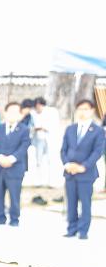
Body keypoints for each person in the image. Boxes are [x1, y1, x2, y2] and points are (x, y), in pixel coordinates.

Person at [61, 100, 105, 240]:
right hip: (70, 172)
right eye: (79, 109)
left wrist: (83, 166)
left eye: (85, 109)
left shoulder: (98, 131)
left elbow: (97, 152)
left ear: (92, 111)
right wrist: (67, 164)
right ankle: (71, 228)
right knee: (71, 202)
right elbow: (64, 150)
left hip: (86, 173)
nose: (82, 112)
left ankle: (83, 230)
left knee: (85, 202)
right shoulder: (70, 129)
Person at [0, 102, 31, 227]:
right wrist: (0, 158)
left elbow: (24, 147)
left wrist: (11, 159)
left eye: (16, 112)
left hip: (15, 168)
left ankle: (14, 219)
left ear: (20, 115)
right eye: (10, 112)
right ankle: (0, 217)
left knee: (14, 195)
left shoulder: (24, 129)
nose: (12, 115)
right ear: (5, 113)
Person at [30, 96, 58, 187]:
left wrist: (45, 128)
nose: (37, 108)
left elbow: (54, 125)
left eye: (39, 106)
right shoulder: (33, 114)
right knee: (38, 161)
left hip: (50, 138)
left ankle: (52, 182)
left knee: (51, 161)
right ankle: (39, 181)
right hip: (38, 139)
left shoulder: (51, 112)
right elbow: (31, 126)